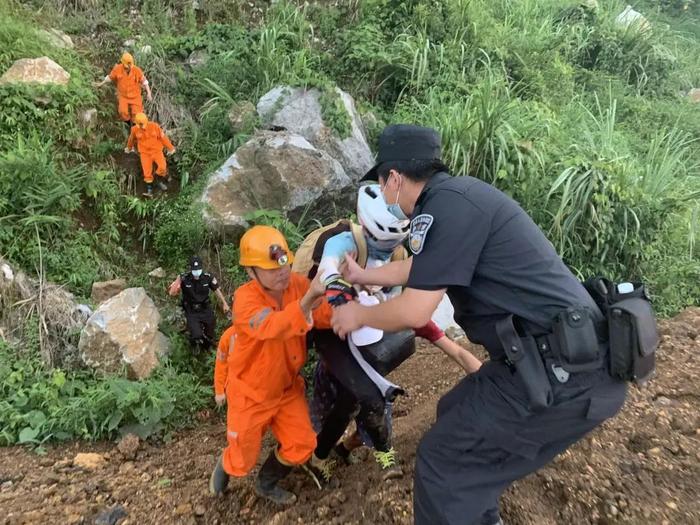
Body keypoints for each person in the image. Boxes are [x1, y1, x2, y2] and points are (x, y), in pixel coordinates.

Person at [330, 124, 627, 525]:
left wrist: (357, 314)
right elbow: (424, 267)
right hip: (561, 362)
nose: (384, 195)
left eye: (383, 185)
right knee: (455, 413)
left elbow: (415, 312)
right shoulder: (459, 199)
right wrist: (365, 277)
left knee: (444, 464)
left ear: (396, 178)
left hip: (564, 374)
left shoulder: (444, 207)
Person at [296, 185, 482, 482]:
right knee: (354, 403)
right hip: (331, 338)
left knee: (359, 404)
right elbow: (327, 272)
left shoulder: (401, 310)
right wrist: (340, 293)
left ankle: (344, 451)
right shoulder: (344, 247)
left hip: (363, 358)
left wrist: (486, 377)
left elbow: (454, 348)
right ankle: (315, 457)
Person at [208, 225, 332, 506]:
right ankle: (227, 463)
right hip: (250, 394)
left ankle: (266, 482)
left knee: (302, 445)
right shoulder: (245, 300)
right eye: (272, 269)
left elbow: (324, 312)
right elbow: (273, 326)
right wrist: (308, 302)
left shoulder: (298, 285)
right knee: (242, 460)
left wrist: (360, 308)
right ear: (251, 272)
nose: (282, 272)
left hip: (287, 391)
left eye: (285, 264)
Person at [168, 256, 230, 353]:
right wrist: (177, 284)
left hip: (205, 308)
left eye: (198, 269)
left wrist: (224, 303)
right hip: (191, 310)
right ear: (191, 269)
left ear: (201, 268)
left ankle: (207, 347)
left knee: (211, 329)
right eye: (194, 270)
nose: (196, 272)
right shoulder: (184, 278)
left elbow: (217, 290)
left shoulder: (207, 277)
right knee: (197, 335)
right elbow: (172, 293)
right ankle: (193, 344)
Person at [94, 52, 152, 126]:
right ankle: (127, 124)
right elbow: (110, 78)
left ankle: (134, 127)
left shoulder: (137, 70)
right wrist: (100, 84)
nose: (128, 68)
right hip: (123, 96)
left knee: (137, 113)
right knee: (122, 112)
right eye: (126, 66)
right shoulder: (117, 69)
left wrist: (149, 93)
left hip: (136, 97)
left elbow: (145, 82)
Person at [125, 113, 176, 197]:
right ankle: (150, 191)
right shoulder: (134, 130)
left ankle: (158, 179)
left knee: (162, 167)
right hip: (145, 154)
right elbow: (131, 139)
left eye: (143, 124)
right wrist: (129, 148)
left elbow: (163, 138)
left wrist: (171, 148)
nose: (142, 127)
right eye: (140, 125)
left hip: (156, 151)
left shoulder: (154, 126)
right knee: (147, 173)